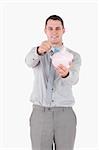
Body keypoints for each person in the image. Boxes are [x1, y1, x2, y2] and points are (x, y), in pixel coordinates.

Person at [25, 15, 81, 150]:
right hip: (40, 114)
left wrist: (66, 74)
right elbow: (28, 61)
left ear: (63, 30)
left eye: (58, 28)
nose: (54, 32)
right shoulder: (37, 52)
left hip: (65, 114)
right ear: (45, 30)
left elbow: (74, 79)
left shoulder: (73, 56)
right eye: (50, 28)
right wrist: (39, 51)